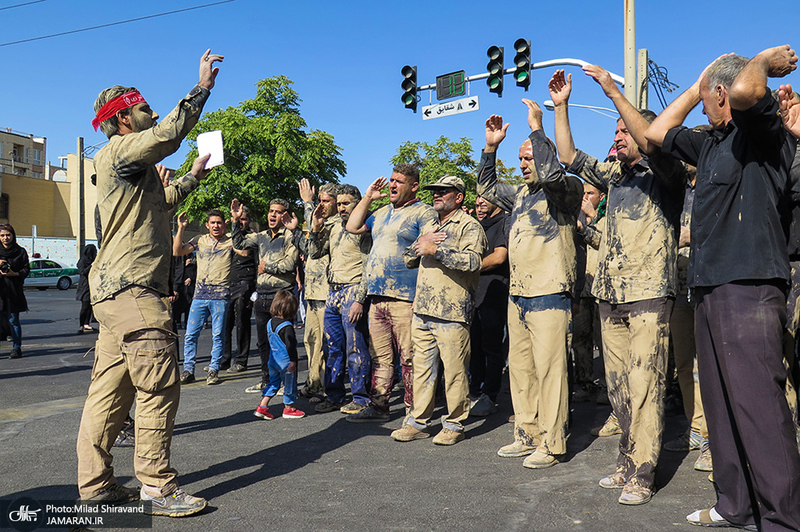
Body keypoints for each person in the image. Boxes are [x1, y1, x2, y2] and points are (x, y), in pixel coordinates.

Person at [645, 45, 800, 530]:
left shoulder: (760, 132)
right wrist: (695, 88)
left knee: (758, 406)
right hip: (709, 287)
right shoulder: (709, 143)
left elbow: (749, 90)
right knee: (719, 403)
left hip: (749, 286)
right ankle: (735, 505)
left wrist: (758, 60)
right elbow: (654, 133)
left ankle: (782, 519)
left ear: (722, 95)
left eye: (710, 95)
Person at [76, 49, 222, 516]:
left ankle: (96, 488)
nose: (153, 113)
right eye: (143, 109)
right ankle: (157, 489)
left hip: (116, 294)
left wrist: (194, 177)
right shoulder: (120, 149)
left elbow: (160, 204)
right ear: (121, 119)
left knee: (110, 392)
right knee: (158, 387)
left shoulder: (126, 169)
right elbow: (168, 134)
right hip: (136, 292)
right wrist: (201, 89)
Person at [551, 66, 688, 504]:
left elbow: (651, 142)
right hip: (609, 295)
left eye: (624, 130)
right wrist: (562, 107)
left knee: (646, 384)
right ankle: (627, 461)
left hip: (649, 293)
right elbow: (569, 156)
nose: (618, 137)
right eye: (616, 131)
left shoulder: (666, 173)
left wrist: (613, 93)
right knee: (619, 387)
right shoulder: (615, 175)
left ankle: (645, 473)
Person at [478, 100, 582, 467]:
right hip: (518, 294)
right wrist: (491, 147)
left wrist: (538, 126)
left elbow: (553, 176)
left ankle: (553, 443)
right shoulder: (520, 194)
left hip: (550, 293)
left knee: (551, 372)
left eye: (528, 158)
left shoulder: (566, 188)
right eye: (520, 159)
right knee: (520, 370)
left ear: (545, 157)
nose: (522, 165)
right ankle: (527, 433)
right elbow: (487, 188)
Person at [390, 175, 487, 446]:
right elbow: (409, 258)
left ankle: (454, 424)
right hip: (423, 310)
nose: (437, 195)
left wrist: (437, 250)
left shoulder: (470, 226)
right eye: (434, 191)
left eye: (444, 191)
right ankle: (418, 423)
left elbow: (473, 262)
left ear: (458, 197)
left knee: (454, 372)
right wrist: (423, 243)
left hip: (452, 312)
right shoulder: (431, 225)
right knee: (421, 370)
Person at [343, 165, 438, 422]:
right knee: (381, 358)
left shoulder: (423, 212)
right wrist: (368, 197)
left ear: (414, 186)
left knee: (409, 357)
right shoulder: (381, 213)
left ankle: (413, 411)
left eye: (399, 181)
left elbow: (430, 244)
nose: (392, 185)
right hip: (377, 297)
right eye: (391, 181)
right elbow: (352, 226)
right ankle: (379, 406)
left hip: (406, 298)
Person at [306, 185, 373, 415]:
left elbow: (369, 266)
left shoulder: (363, 227)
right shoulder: (334, 226)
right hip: (332, 293)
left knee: (356, 348)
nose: (342, 207)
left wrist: (360, 299)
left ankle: (361, 398)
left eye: (346, 203)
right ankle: (334, 396)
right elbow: (314, 253)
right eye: (340, 203)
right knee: (332, 348)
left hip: (353, 291)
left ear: (357, 203)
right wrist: (315, 229)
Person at [230, 198, 299, 394]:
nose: (272, 215)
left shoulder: (290, 237)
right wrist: (236, 221)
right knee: (263, 342)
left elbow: (289, 264)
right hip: (262, 296)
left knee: (285, 342)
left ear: (284, 215)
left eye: (277, 212)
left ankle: (287, 382)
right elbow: (239, 243)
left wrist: (266, 267)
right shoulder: (261, 236)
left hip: (281, 296)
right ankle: (267, 379)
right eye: (271, 211)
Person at [174, 210, 234, 386]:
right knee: (190, 335)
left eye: (219, 222)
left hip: (221, 296)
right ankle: (188, 370)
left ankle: (214, 369)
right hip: (199, 295)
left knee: (217, 335)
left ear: (225, 224)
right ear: (207, 225)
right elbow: (177, 251)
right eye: (212, 223)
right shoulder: (200, 240)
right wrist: (181, 228)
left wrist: (237, 222)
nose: (216, 226)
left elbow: (243, 250)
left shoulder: (231, 241)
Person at [294, 179, 338, 400]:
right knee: (310, 340)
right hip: (311, 292)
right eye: (319, 200)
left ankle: (325, 387)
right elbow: (308, 249)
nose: (321, 205)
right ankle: (313, 383)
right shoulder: (318, 224)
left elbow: (318, 245)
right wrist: (295, 230)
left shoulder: (337, 224)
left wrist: (308, 204)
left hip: (327, 293)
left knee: (324, 344)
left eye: (326, 201)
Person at [468, 195, 509, 417]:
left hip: (494, 295)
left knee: (492, 348)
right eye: (477, 201)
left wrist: (467, 265)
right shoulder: (477, 226)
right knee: (474, 347)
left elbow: (499, 257)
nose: (480, 203)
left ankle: (490, 396)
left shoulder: (504, 222)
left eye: (485, 199)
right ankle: (474, 391)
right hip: (474, 296)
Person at [253, 289, 305, 420]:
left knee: (273, 383)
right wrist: (293, 361)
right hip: (285, 362)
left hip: (273, 360)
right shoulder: (287, 327)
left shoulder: (270, 323)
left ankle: (262, 406)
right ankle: (289, 408)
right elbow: (290, 346)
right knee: (289, 385)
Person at [220, 205, 256, 373]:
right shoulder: (229, 237)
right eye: (238, 219)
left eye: (243, 219)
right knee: (225, 325)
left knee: (242, 324)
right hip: (228, 285)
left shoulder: (252, 237)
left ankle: (241, 360)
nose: (241, 222)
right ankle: (225, 359)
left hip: (245, 285)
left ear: (248, 221)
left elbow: (244, 252)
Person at [0, 224, 29, 359]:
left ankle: (17, 348)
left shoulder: (20, 251)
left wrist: (14, 274)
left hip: (13, 291)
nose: (5, 238)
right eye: (2, 235)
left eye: (8, 235)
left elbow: (26, 269)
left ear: (13, 235)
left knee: (13, 320)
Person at [76, 244, 98, 334]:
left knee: (90, 306)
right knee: (84, 307)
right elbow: (83, 272)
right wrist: (91, 266)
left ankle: (86, 324)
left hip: (92, 286)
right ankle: (81, 325)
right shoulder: (83, 261)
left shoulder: (93, 260)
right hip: (84, 286)